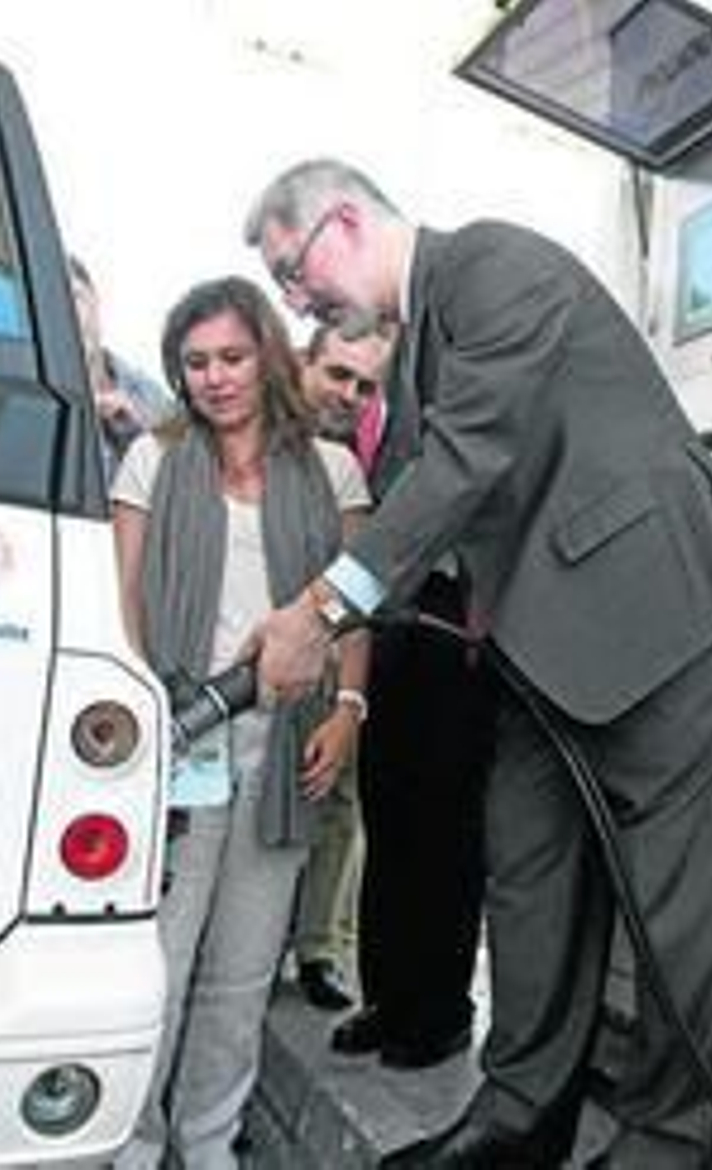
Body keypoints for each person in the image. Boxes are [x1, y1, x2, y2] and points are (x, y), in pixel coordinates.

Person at [241, 159, 712, 1170]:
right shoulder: (419, 343)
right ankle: (518, 1117)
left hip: (656, 613)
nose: (296, 301)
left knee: (672, 903)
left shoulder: (489, 265)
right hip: (536, 645)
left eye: (291, 272)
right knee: (526, 877)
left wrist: (321, 607)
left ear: (344, 223)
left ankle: (666, 1142)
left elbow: (469, 459)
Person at [110, 275, 371, 1170]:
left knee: (243, 972)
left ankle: (209, 1139)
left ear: (266, 355)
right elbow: (125, 606)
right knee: (161, 965)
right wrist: (150, 724)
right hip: (182, 735)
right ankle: (136, 1144)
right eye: (194, 363)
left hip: (288, 742)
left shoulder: (335, 471)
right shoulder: (151, 458)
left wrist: (348, 709)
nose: (214, 378)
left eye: (231, 356)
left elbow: (357, 605)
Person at [299, 317, 495, 1071]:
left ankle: (440, 1008)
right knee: (387, 813)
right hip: (386, 626)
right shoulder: (364, 422)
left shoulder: (454, 396)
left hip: (456, 622)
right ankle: (388, 996)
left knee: (444, 827)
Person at [284, 321, 388, 1013]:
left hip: (336, 655)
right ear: (302, 364)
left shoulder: (367, 464)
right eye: (337, 376)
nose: (348, 394)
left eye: (364, 385)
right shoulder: (250, 438)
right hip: (253, 651)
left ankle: (317, 951)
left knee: (337, 803)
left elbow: (368, 579)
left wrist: (352, 697)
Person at [69, 255, 178, 480]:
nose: (69, 314)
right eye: (55, 304)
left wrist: (140, 435)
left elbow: (189, 487)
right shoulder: (34, 404)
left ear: (95, 300)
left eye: (75, 297)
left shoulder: (149, 396)